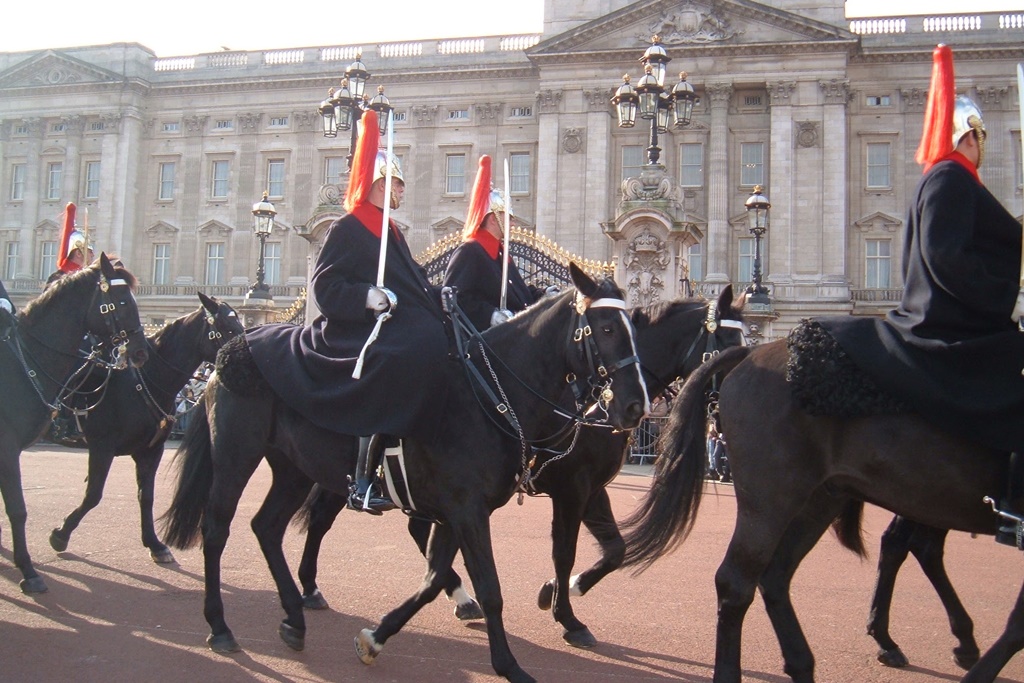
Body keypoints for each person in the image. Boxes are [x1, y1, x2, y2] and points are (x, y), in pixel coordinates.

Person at [817, 45, 1024, 544]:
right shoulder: (951, 178)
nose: (983, 147)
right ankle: (1017, 507)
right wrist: (1002, 293)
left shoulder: (942, 179)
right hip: (950, 324)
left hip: (946, 316)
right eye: (980, 136)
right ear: (969, 135)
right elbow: (946, 260)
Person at [246, 109, 451, 515]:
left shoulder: (390, 230)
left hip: (387, 322)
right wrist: (367, 298)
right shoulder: (349, 227)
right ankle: (363, 476)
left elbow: (409, 282)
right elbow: (325, 286)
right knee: (395, 358)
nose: (401, 192)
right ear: (378, 185)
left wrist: (440, 296)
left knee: (437, 341)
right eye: (396, 184)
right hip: (354, 329)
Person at [442, 155, 548, 332]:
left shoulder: (500, 253)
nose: (513, 224)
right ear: (493, 219)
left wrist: (545, 296)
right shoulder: (470, 251)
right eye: (509, 218)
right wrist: (490, 315)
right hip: (487, 339)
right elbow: (456, 299)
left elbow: (521, 295)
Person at [47, 202, 94, 286]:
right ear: (79, 253)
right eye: (89, 251)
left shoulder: (88, 278)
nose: (92, 254)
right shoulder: (59, 278)